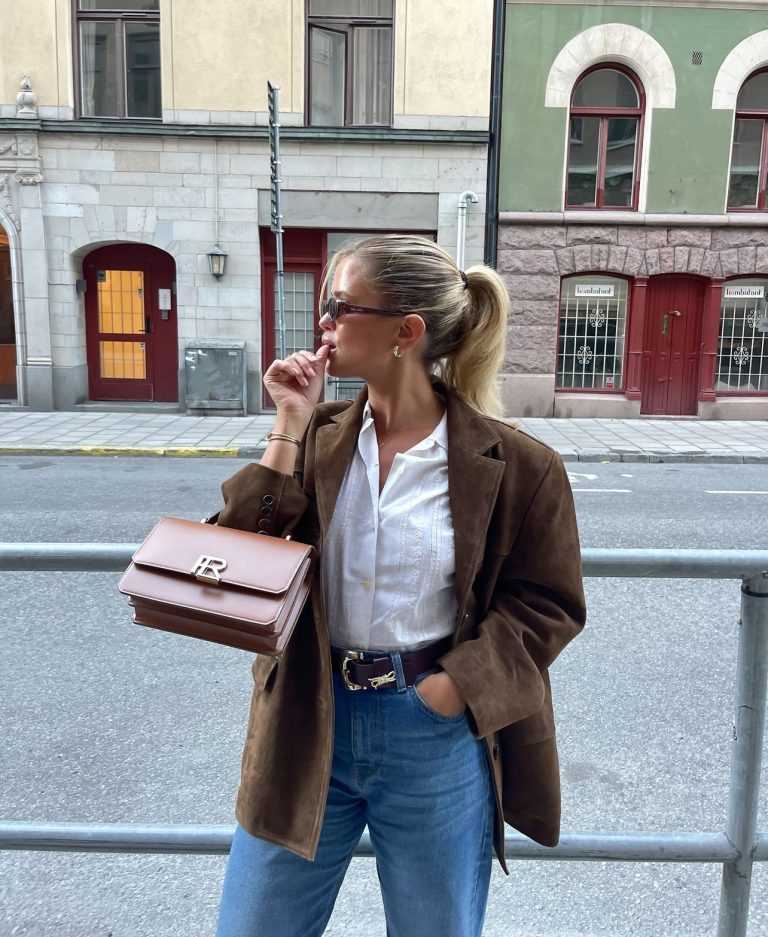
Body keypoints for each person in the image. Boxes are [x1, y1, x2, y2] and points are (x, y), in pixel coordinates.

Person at [214, 234, 586, 937]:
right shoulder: (316, 438)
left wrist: (454, 688)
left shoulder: (518, 463)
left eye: (341, 306)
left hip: (431, 732)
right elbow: (238, 560)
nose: (323, 321)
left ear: (405, 333)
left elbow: (548, 604)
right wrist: (288, 423)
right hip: (306, 719)